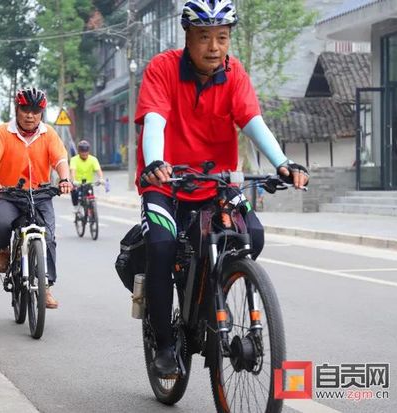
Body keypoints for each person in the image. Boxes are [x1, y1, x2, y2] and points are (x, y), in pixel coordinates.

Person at [135, 0, 310, 378]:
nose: (214, 47)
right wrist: (154, 163)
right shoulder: (162, 68)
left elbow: (252, 121)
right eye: (204, 37)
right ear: (187, 37)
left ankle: (215, 289)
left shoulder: (235, 74)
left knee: (253, 235)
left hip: (217, 180)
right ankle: (165, 344)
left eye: (222, 37)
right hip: (165, 180)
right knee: (162, 247)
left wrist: (283, 163)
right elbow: (154, 120)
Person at [0, 87, 72, 309]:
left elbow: (60, 159)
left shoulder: (48, 133)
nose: (30, 115)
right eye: (25, 109)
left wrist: (64, 179)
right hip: (9, 193)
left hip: (40, 195)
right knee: (1, 223)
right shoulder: (3, 132)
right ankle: (4, 250)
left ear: (41, 112)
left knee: (48, 237)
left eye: (35, 110)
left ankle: (46, 288)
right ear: (17, 109)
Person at [69, 140, 104, 213]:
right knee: (74, 191)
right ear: (79, 152)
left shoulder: (93, 159)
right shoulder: (74, 159)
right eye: (82, 152)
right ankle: (75, 206)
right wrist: (73, 180)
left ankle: (91, 213)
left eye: (86, 152)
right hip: (78, 183)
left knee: (91, 197)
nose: (85, 154)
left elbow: (98, 170)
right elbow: (72, 171)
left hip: (88, 183)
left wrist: (101, 179)